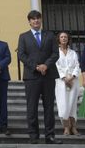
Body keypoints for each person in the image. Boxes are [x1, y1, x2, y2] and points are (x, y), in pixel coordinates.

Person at [17, 10, 62, 144]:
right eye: (33, 19)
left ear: (41, 20)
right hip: (32, 76)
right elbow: (21, 55)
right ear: (29, 21)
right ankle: (33, 136)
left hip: (48, 75)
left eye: (38, 18)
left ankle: (50, 136)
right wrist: (36, 66)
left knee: (49, 107)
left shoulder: (50, 35)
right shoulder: (23, 36)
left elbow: (55, 53)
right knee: (32, 107)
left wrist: (45, 66)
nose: (36, 21)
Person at [54, 31, 80, 136]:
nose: (64, 38)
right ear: (59, 39)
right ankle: (66, 127)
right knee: (63, 105)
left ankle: (73, 127)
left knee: (72, 104)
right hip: (61, 82)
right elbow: (56, 66)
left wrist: (72, 77)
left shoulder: (73, 53)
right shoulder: (55, 53)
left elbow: (77, 65)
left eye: (66, 37)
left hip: (73, 81)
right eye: (62, 37)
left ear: (68, 39)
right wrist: (64, 78)